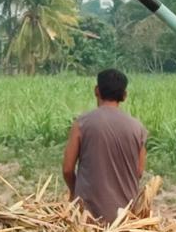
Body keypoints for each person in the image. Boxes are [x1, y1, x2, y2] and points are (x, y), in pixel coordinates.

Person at [62, 68, 148, 222]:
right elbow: (139, 171)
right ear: (124, 96)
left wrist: (75, 193)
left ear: (97, 91)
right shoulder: (137, 128)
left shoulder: (82, 123)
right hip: (125, 219)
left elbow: (68, 169)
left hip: (87, 218)